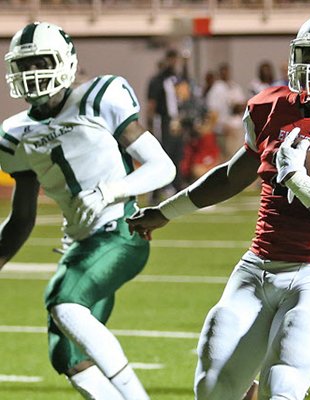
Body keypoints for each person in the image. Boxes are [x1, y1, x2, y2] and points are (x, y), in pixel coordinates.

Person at [128, 10, 310, 400]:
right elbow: (230, 176)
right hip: (259, 264)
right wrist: (164, 213)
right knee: (213, 387)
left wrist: (300, 181)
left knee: (284, 386)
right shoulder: (270, 105)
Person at [0, 21, 176, 399]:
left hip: (120, 231)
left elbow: (163, 167)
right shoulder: (14, 134)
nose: (33, 73)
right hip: (80, 246)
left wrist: (110, 191)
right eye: (25, 65)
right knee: (67, 355)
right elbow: (21, 219)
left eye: (41, 61)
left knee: (63, 302)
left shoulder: (100, 96)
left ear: (65, 61)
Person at [147, 48, 183, 197]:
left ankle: (177, 186)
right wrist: (150, 121)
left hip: (175, 120)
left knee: (177, 153)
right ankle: (156, 190)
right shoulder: (157, 80)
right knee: (163, 153)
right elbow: (152, 103)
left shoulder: (176, 80)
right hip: (163, 120)